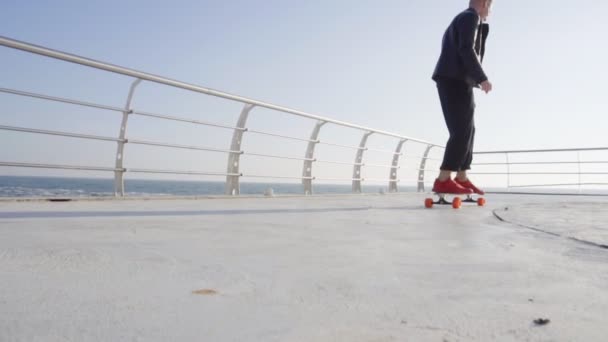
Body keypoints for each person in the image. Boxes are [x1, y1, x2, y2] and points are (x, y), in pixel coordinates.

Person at [431, 0, 493, 195]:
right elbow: (466, 48)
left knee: (468, 129)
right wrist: (482, 78)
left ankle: (461, 177)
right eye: (490, 7)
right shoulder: (470, 17)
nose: (490, 12)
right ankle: (443, 179)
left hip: (457, 79)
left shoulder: (465, 18)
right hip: (454, 79)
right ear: (484, 3)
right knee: (460, 130)